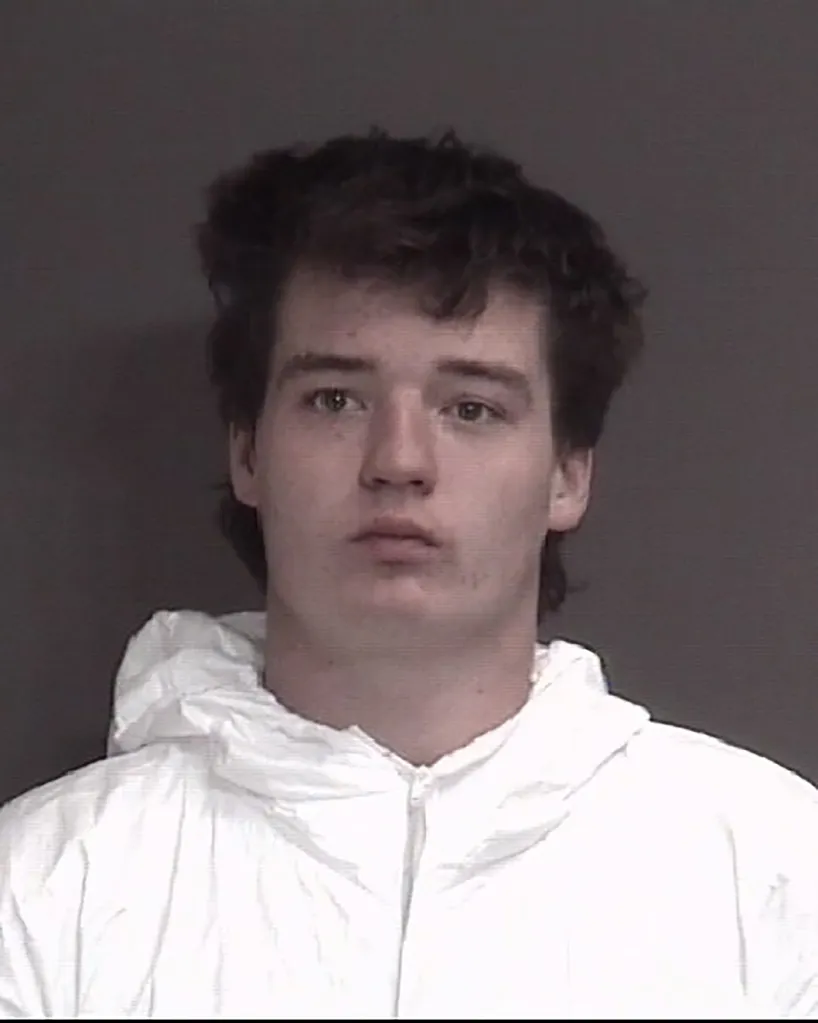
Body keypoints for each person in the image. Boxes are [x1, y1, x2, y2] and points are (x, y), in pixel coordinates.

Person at [1, 128, 816, 1020]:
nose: (399, 460)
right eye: (336, 399)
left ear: (567, 473)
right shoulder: (44, 889)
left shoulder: (773, 876)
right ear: (248, 451)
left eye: (471, 407)